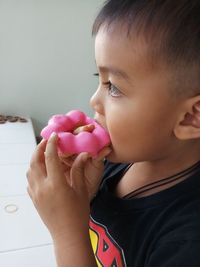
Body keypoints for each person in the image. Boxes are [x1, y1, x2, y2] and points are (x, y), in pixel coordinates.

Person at [26, 0, 200, 266]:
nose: (94, 101)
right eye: (99, 77)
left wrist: (67, 233)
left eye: (114, 87)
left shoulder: (187, 243)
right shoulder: (118, 160)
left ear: (190, 117)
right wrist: (83, 195)